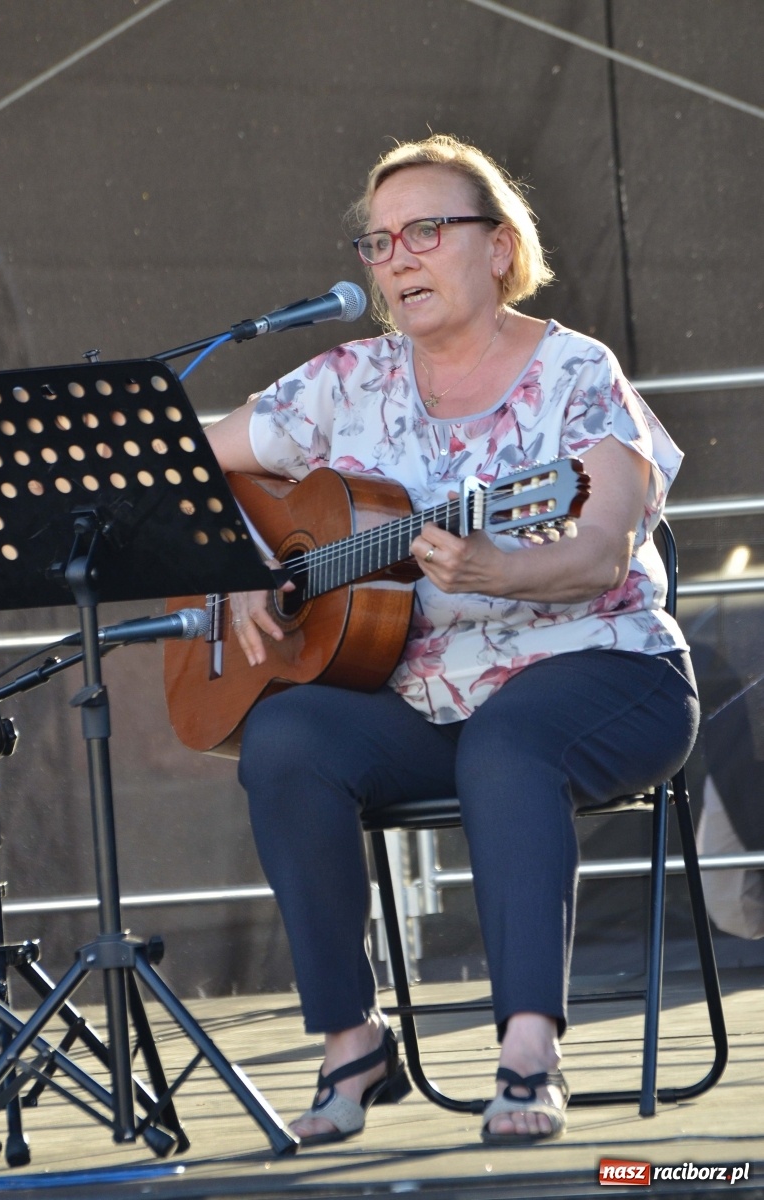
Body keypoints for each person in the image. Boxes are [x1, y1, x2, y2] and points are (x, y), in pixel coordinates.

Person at [206, 134, 700, 1146]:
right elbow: (195, 465)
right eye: (379, 243)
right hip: (426, 699)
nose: (398, 259)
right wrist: (225, 564)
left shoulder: (575, 372)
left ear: (500, 250)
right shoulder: (349, 379)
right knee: (286, 738)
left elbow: (604, 549)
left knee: (510, 743)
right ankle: (353, 1042)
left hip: (604, 673)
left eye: (426, 231)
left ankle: (527, 1053)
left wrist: (499, 571)